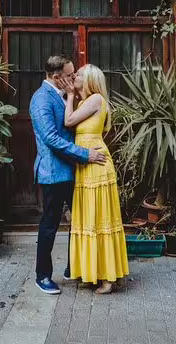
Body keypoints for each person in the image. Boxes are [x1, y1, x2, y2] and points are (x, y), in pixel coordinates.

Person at [29, 55, 107, 295]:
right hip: (53, 172)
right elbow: (52, 139)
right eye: (70, 75)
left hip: (72, 170)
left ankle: (75, 267)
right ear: (56, 77)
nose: (74, 78)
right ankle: (42, 276)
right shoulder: (41, 99)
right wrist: (86, 155)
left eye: (75, 74)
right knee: (50, 226)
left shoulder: (63, 95)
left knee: (79, 222)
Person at [60, 63, 129, 294]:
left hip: (95, 163)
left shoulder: (96, 99)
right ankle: (94, 273)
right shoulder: (86, 101)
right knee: (89, 217)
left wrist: (69, 95)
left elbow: (68, 121)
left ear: (89, 79)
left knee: (99, 217)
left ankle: (108, 277)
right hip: (86, 162)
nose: (74, 76)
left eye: (78, 74)